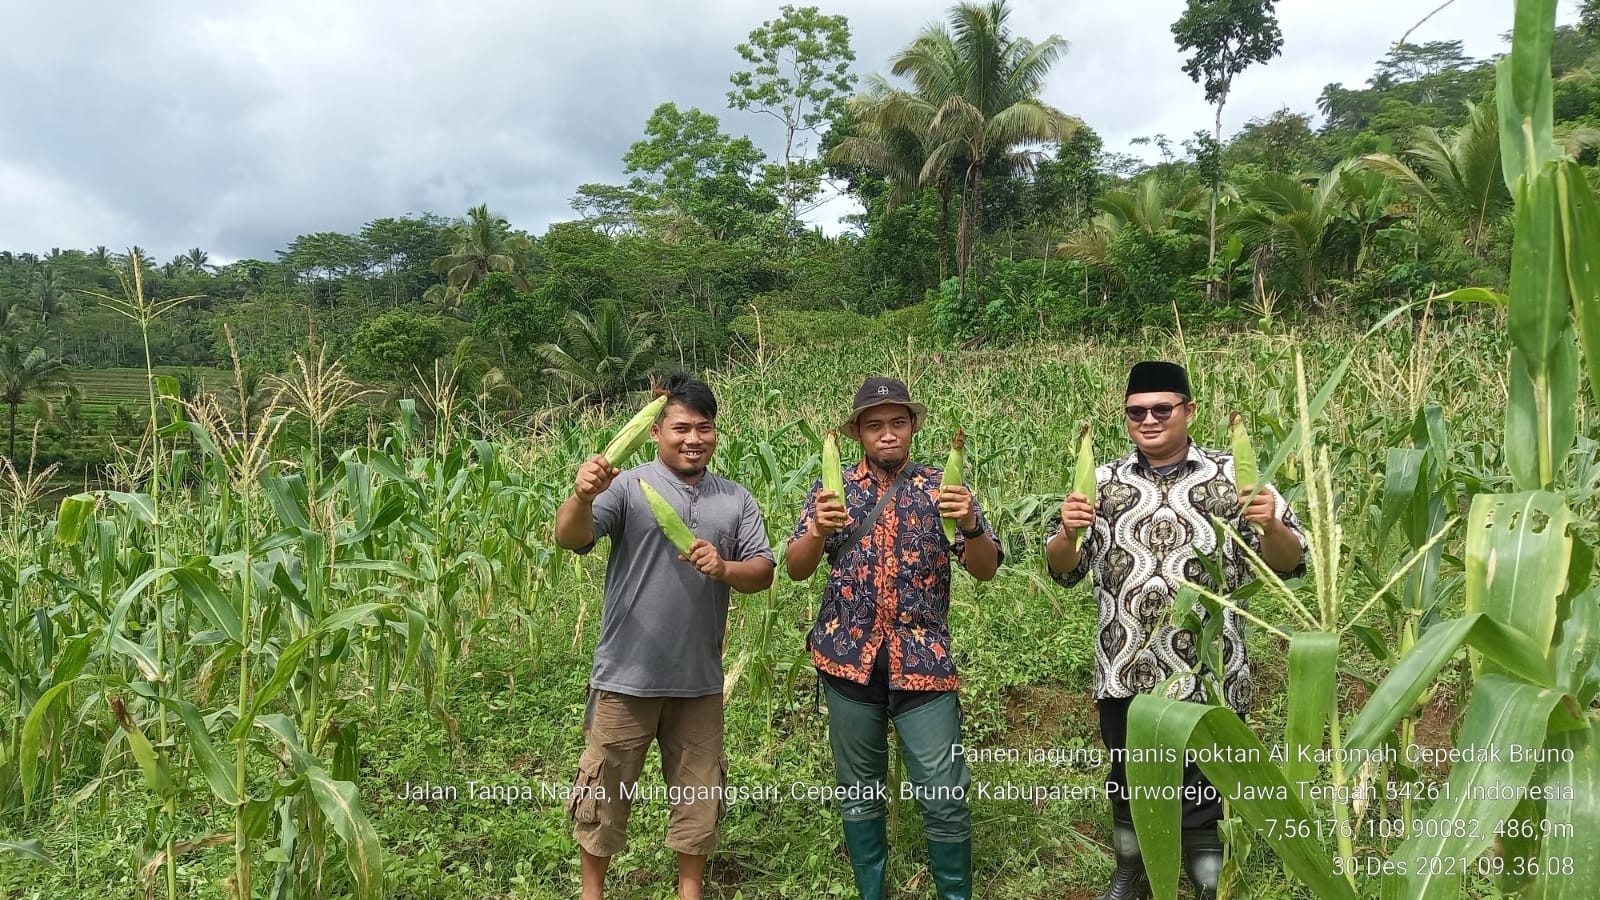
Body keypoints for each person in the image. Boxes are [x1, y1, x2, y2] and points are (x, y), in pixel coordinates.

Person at [1045, 360, 1306, 900]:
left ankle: (1207, 881)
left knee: (1204, 784)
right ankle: (1130, 874)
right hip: (1125, 664)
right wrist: (1068, 534)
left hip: (1209, 668)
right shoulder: (1101, 483)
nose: (1149, 420)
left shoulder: (1235, 477)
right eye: (1136, 412)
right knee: (1127, 783)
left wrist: (1271, 523)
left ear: (1189, 411)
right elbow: (1063, 569)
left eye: (1162, 409)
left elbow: (1287, 563)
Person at [553, 374, 776, 900]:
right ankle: (592, 894)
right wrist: (583, 496)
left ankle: (689, 893)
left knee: (700, 795)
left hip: (698, 680)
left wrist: (724, 568)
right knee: (604, 792)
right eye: (680, 428)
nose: (692, 438)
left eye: (704, 428)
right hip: (626, 675)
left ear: (716, 432)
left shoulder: (734, 499)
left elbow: (764, 570)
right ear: (657, 431)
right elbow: (571, 536)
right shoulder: (624, 486)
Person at [786, 376, 1002, 900]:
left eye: (897, 423)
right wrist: (816, 530)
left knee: (945, 791)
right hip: (846, 659)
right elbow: (795, 568)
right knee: (860, 792)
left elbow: (986, 569)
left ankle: (955, 893)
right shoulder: (832, 493)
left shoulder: (940, 489)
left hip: (922, 661)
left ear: (911, 427)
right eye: (875, 425)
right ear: (857, 432)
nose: (887, 434)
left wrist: (971, 524)